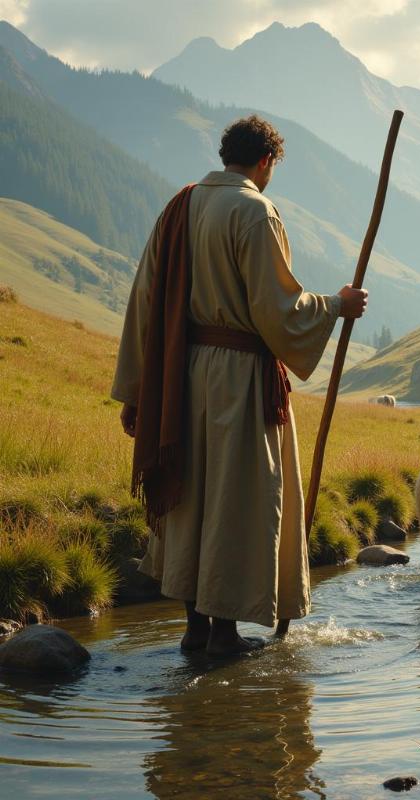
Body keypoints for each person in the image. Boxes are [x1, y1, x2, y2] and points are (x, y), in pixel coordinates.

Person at [111, 115, 368, 656]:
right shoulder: (255, 211)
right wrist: (338, 306)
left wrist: (138, 389)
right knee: (235, 499)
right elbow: (276, 311)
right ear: (266, 161)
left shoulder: (179, 206)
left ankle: (194, 630)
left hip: (182, 376)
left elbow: (145, 302)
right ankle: (225, 634)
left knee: (190, 496)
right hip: (239, 378)